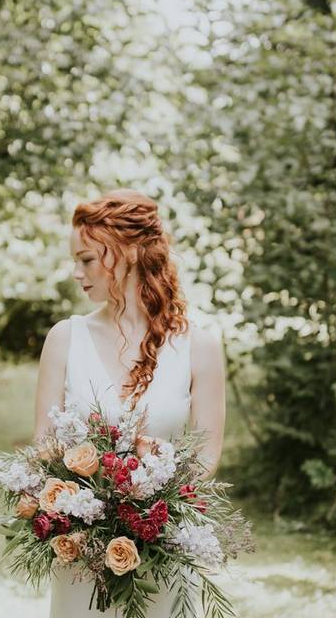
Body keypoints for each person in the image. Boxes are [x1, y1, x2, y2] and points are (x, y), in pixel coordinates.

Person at [32, 189, 227, 617]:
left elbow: (205, 456)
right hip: (82, 558)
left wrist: (143, 507)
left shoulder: (200, 345)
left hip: (162, 552)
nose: (76, 272)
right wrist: (85, 509)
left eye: (86, 259)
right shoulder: (64, 339)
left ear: (131, 252)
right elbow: (44, 447)